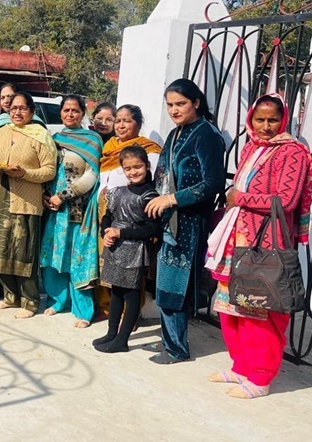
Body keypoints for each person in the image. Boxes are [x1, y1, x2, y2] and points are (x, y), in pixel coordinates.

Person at [206, 93, 312, 398]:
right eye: (260, 119)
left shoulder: (292, 152)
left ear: (284, 120)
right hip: (236, 239)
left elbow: (285, 201)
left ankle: (261, 377)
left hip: (265, 243)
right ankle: (241, 366)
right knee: (231, 307)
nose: (266, 126)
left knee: (260, 310)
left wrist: (239, 198)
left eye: (273, 120)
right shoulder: (251, 146)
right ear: (250, 119)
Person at [145, 78, 226, 364]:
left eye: (181, 104)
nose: (174, 110)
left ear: (196, 103)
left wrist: (172, 199)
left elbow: (213, 183)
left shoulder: (207, 135)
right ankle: (169, 339)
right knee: (165, 282)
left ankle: (177, 349)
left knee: (176, 285)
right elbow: (163, 173)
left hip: (190, 222)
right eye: (170, 105)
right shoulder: (176, 132)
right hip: (169, 220)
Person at [0, 92, 57, 318]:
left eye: (23, 108)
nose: (17, 112)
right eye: (13, 108)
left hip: (26, 202)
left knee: (23, 253)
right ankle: (10, 297)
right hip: (0, 199)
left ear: (31, 111)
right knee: (0, 250)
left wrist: (24, 173)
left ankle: (30, 302)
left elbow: (49, 170)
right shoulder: (2, 132)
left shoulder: (41, 135)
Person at [93, 104, 163, 320]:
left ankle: (130, 314)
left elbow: (149, 182)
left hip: (132, 216)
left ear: (138, 124)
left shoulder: (148, 150)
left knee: (130, 268)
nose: (121, 125)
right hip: (106, 212)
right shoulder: (109, 147)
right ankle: (108, 307)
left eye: (127, 120)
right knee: (108, 259)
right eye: (118, 120)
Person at [40, 94, 102, 327]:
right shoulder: (54, 138)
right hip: (53, 209)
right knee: (54, 253)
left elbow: (92, 175)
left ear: (83, 113)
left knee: (78, 256)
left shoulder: (92, 140)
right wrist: (46, 195)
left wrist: (63, 196)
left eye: (75, 110)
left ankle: (83, 309)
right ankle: (58, 300)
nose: (70, 114)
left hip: (77, 209)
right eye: (66, 110)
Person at [94, 145, 161, 353]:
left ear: (147, 166)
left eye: (138, 167)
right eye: (128, 168)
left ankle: (122, 340)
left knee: (131, 296)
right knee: (116, 292)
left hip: (134, 253)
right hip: (115, 250)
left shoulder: (150, 195)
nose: (133, 172)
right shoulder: (117, 192)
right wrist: (106, 232)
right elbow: (108, 216)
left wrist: (120, 232)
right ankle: (111, 333)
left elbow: (151, 229)